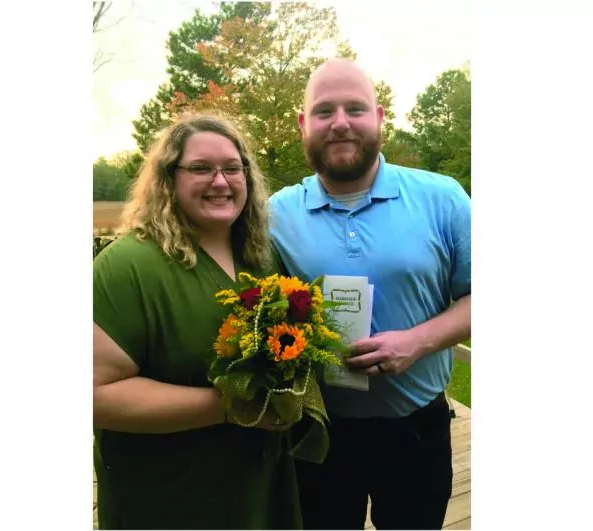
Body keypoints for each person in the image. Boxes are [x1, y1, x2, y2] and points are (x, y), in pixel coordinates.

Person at [269, 58, 471, 530]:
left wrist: (416, 342)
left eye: (355, 109)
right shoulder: (276, 215)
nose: (340, 122)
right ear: (303, 124)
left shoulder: (442, 198)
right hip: (317, 428)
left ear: (379, 118)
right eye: (324, 111)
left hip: (416, 429)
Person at [93, 113, 302, 529]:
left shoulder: (262, 258)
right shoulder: (127, 267)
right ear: (168, 178)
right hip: (169, 499)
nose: (220, 181)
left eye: (232, 168)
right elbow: (96, 394)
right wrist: (232, 406)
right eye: (201, 168)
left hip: (258, 492)